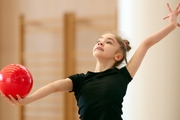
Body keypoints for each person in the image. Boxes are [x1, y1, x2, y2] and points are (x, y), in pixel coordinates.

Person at [1, 2, 180, 120]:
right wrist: (28, 100)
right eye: (100, 40)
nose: (101, 42)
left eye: (108, 42)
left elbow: (146, 43)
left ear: (118, 56)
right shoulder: (79, 80)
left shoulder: (123, 75)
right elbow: (54, 86)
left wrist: (171, 25)